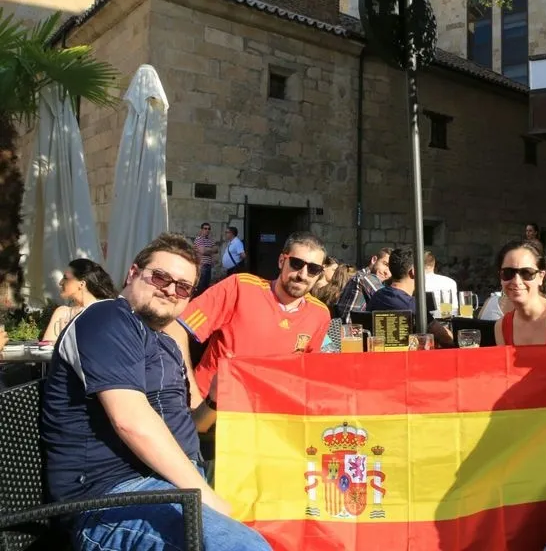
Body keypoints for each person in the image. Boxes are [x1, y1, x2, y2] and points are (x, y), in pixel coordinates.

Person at [40, 233, 271, 551]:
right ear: (133, 273)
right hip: (111, 500)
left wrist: (214, 399)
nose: (170, 290)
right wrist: (208, 497)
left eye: (183, 287)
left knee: (289, 501)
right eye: (161, 277)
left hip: (173, 483)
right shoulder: (107, 318)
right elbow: (131, 421)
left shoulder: (164, 343)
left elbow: (192, 426)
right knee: (243, 547)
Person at [178, 232, 332, 409]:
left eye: (313, 269)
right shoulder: (240, 287)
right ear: (282, 261)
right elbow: (177, 328)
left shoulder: (319, 314)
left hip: (268, 415)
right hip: (213, 408)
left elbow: (306, 373)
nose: (303, 275)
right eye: (296, 264)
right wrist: (192, 393)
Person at [41, 258, 117, 343]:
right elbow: (46, 347)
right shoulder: (62, 313)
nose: (60, 282)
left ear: (81, 284)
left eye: (65, 278)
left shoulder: (104, 312)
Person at [334, 247, 392, 321]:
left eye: (391, 269)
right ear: (374, 260)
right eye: (385, 264)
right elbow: (390, 303)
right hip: (351, 330)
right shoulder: (365, 278)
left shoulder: (360, 276)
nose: (387, 272)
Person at [193, 222, 217, 295]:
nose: (207, 230)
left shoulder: (210, 240)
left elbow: (216, 249)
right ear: (201, 230)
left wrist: (207, 250)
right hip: (202, 265)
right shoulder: (198, 239)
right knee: (200, 285)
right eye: (205, 228)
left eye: (209, 229)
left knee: (206, 285)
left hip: (208, 265)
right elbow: (202, 251)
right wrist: (211, 250)